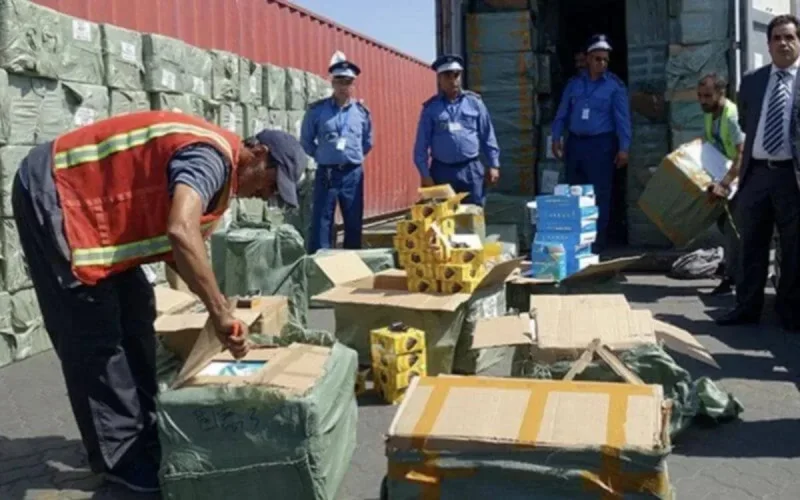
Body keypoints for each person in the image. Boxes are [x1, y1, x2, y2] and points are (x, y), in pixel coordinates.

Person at [11, 110, 306, 493]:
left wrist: (202, 306)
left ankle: (147, 431)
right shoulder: (210, 158)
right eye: (271, 184)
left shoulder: (219, 174)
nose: (267, 196)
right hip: (57, 196)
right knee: (95, 335)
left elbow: (175, 245)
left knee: (137, 312)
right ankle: (121, 460)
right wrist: (219, 311)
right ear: (259, 153)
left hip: (101, 219)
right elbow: (181, 231)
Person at [716, 14, 800, 330]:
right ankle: (746, 307)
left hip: (791, 176)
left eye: (789, 37)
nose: (783, 43)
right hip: (757, 175)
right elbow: (745, 123)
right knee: (751, 242)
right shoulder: (752, 81)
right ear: (768, 44)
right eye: (777, 38)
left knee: (793, 248)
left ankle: (789, 310)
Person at [551, 34, 631, 252]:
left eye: (605, 60)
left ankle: (596, 243)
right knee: (574, 192)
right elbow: (562, 112)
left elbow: (622, 120)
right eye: (597, 59)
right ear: (587, 59)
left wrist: (624, 148)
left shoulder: (614, 87)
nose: (602, 64)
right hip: (576, 143)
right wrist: (556, 136)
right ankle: (575, 242)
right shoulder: (575, 85)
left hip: (601, 145)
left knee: (599, 194)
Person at [300, 51, 373, 252]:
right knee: (322, 222)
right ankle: (320, 265)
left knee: (353, 222)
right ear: (332, 83)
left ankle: (353, 265)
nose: (344, 87)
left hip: (352, 173)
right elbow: (306, 141)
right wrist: (323, 155)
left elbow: (367, 142)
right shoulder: (317, 111)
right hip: (328, 173)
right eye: (339, 81)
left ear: (354, 85)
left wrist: (350, 158)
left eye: (348, 82)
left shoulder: (362, 113)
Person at [413, 54, 501, 205]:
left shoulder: (475, 103)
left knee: (473, 216)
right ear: (439, 79)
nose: (453, 80)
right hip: (441, 171)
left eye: (456, 75)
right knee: (443, 220)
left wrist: (493, 164)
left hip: (471, 169)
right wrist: (425, 174)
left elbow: (487, 136)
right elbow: (421, 145)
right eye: (447, 76)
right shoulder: (431, 109)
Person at [696, 73, 745, 295]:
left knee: (734, 230)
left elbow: (741, 155)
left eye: (707, 95)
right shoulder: (710, 113)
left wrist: (725, 183)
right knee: (726, 226)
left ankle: (733, 278)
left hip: (738, 179)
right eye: (700, 96)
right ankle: (732, 273)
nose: (703, 100)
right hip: (723, 175)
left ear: (720, 93)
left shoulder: (731, 116)